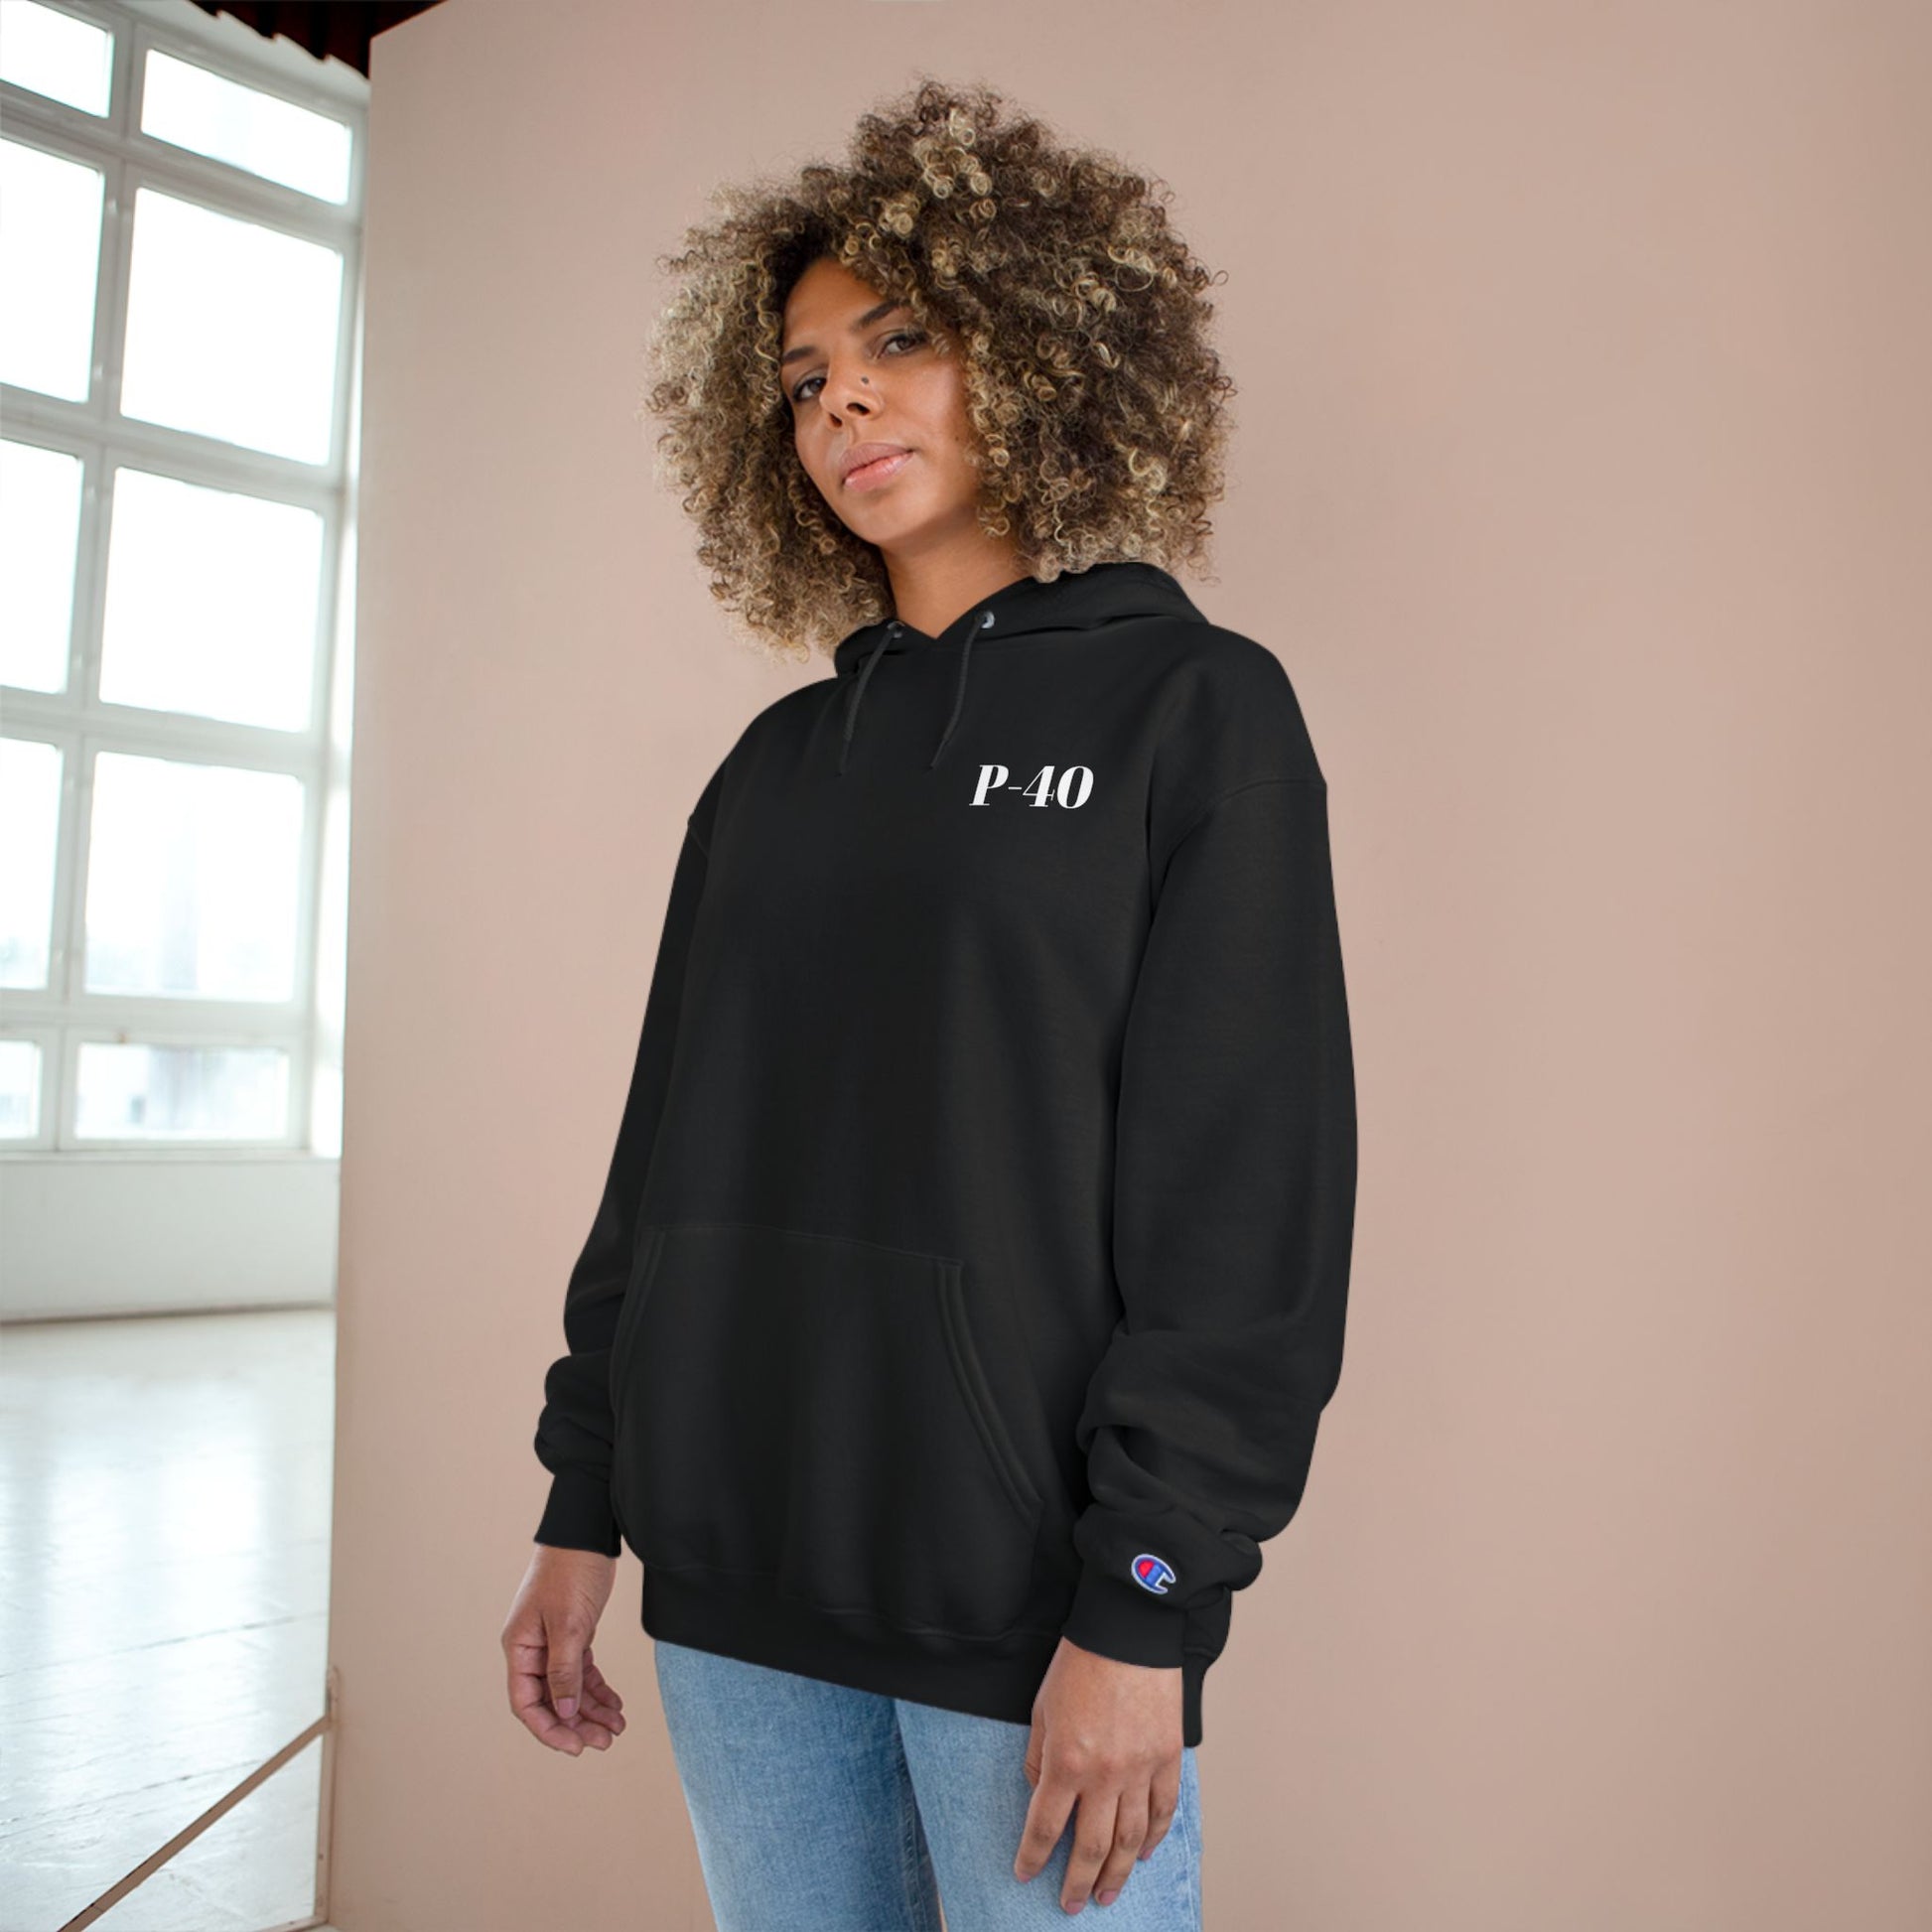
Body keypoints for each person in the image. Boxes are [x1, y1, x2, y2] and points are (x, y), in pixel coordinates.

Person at [500, 76, 1357, 1929]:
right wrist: (584, 1501)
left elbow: (1243, 1201)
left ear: (1039, 351)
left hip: (1023, 1611)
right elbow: (662, 1161)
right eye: (804, 376)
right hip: (729, 1588)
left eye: (897, 342)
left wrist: (1146, 1600)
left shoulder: (1194, 712)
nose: (843, 403)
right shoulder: (773, 765)